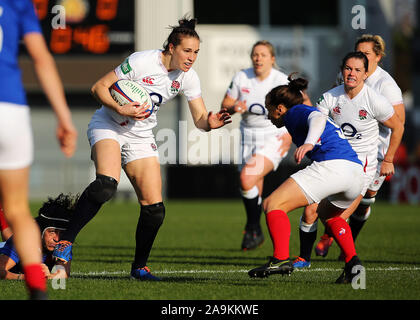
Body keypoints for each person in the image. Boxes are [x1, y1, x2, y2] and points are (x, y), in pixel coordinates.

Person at [52, 17, 232, 281]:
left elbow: (200, 118)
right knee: (105, 185)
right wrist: (120, 108)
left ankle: (139, 268)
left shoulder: (188, 78)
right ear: (171, 48)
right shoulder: (141, 61)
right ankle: (65, 242)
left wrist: (211, 123)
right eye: (187, 50)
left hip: (140, 135)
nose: (192, 57)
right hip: (109, 124)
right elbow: (98, 87)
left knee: (155, 208)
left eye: (196, 52)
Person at [248, 75, 366, 284]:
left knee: (272, 204)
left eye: (270, 108)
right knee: (331, 217)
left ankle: (280, 258)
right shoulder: (296, 114)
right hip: (355, 173)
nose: (269, 115)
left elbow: (318, 118)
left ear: (281, 108)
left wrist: (309, 143)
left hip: (333, 166)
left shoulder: (294, 112)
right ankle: (353, 263)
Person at [293, 51, 404, 269]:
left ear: (365, 74)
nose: (351, 74)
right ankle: (304, 259)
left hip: (361, 170)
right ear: (342, 70)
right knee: (309, 211)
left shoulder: (375, 101)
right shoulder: (329, 98)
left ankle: (350, 262)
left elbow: (398, 126)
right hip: (333, 163)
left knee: (335, 219)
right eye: (348, 68)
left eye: (357, 70)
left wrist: (388, 159)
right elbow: (316, 122)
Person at [0, 0, 78, 299]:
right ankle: (36, 285)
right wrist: (64, 117)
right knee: (18, 208)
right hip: (11, 108)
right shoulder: (19, 2)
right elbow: (42, 59)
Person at [221, 41, 293, 251]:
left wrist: (290, 134)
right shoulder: (242, 77)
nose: (258, 58)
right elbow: (225, 105)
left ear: (272, 59)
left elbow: (301, 106)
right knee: (251, 184)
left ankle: (253, 226)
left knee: (246, 177)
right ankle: (255, 231)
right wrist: (234, 108)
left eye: (263, 55)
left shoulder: (280, 80)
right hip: (247, 135)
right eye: (255, 55)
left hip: (274, 135)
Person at [0, 193, 76, 280]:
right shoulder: (24, 240)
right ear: (41, 230)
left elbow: (63, 274)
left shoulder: (63, 243)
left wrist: (47, 276)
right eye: (52, 232)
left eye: (62, 233)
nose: (57, 239)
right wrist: (24, 277)